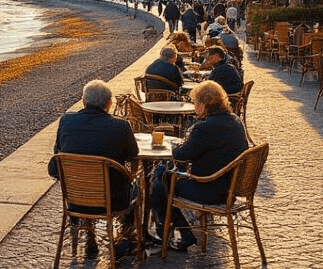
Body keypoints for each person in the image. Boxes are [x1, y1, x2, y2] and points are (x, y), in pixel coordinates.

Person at [148, 81, 250, 252]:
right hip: (230, 186)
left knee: (160, 176)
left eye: (195, 102)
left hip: (209, 189)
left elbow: (181, 155)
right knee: (166, 175)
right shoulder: (235, 120)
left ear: (203, 105)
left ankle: (166, 228)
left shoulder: (205, 127)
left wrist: (174, 146)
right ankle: (171, 227)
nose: (194, 106)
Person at [47, 80, 140, 257]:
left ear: (83, 101)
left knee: (86, 184)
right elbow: (133, 154)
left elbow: (56, 161)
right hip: (112, 201)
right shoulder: (121, 126)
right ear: (109, 103)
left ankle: (89, 234)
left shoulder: (66, 121)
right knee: (136, 188)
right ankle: (124, 236)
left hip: (75, 199)